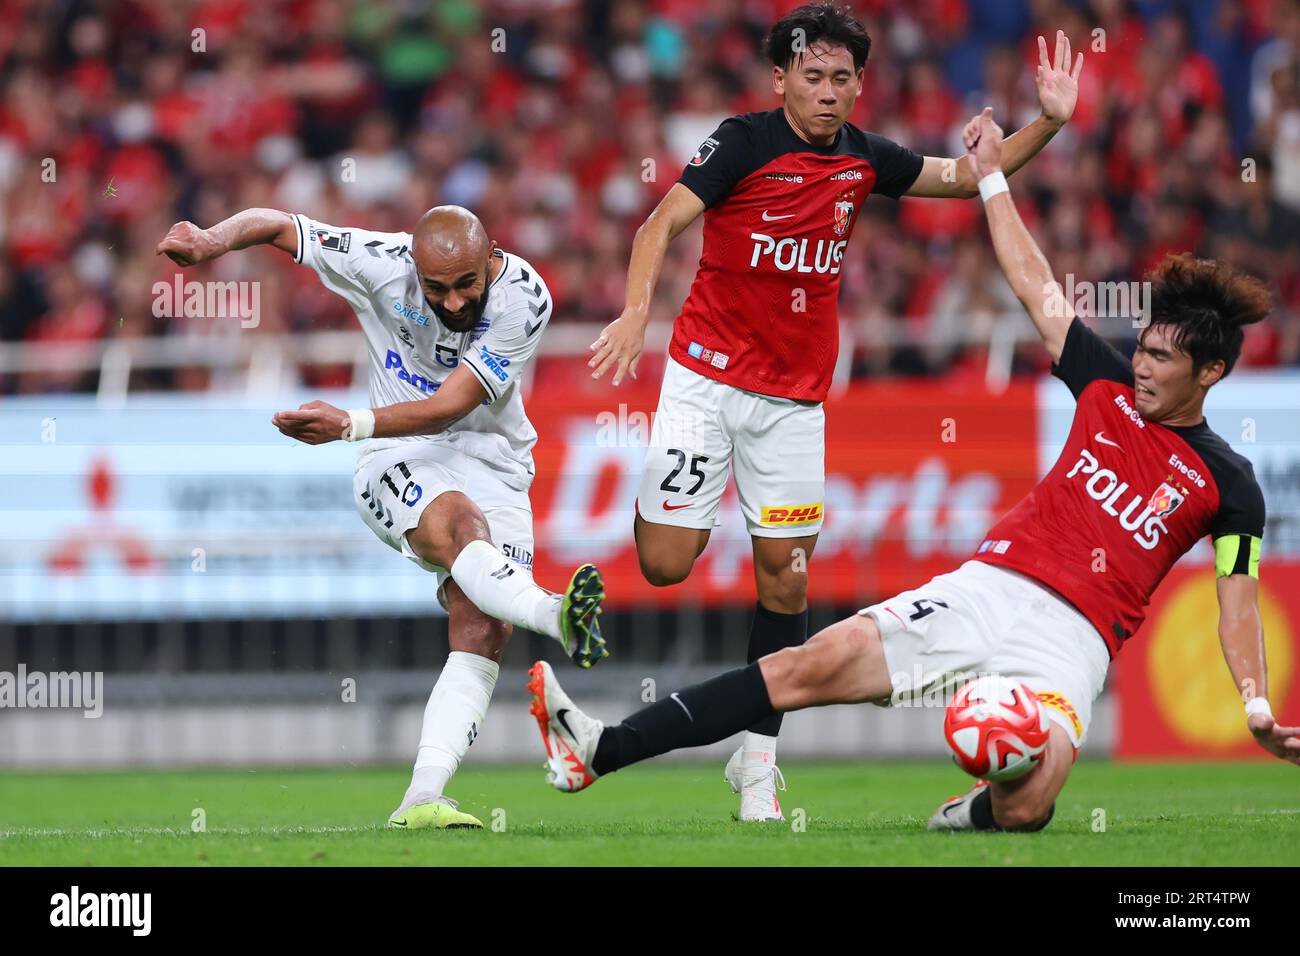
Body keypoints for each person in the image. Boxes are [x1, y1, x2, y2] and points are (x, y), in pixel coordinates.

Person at [526, 107, 1298, 832]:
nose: (1142, 368)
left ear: (1213, 372)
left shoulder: (1230, 486)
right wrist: (993, 175)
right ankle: (600, 747)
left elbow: (1236, 605)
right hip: (986, 587)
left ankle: (971, 811)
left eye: (1163, 360)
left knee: (1030, 808)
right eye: (1145, 350)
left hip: (1075, 639)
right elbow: (1031, 281)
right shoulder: (1102, 383)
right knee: (808, 665)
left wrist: (1256, 702)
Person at [586, 1, 1085, 821]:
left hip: (792, 403)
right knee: (668, 563)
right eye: (811, 76)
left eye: (841, 78)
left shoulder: (864, 158)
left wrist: (1049, 124)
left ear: (860, 86)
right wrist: (638, 311)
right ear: (780, 79)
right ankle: (676, 506)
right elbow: (660, 221)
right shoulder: (742, 142)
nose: (827, 92)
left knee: (786, 579)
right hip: (704, 382)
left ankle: (756, 771)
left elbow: (964, 179)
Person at [158, 205, 607, 829]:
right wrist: (212, 240)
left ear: (491, 256)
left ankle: (421, 799)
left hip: (496, 461)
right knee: (462, 531)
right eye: (436, 289)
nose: (452, 303)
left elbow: (452, 405)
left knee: (482, 630)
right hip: (398, 454)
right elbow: (278, 223)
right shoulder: (380, 262)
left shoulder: (525, 296)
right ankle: (555, 614)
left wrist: (347, 422)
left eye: (466, 284)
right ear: (415, 272)